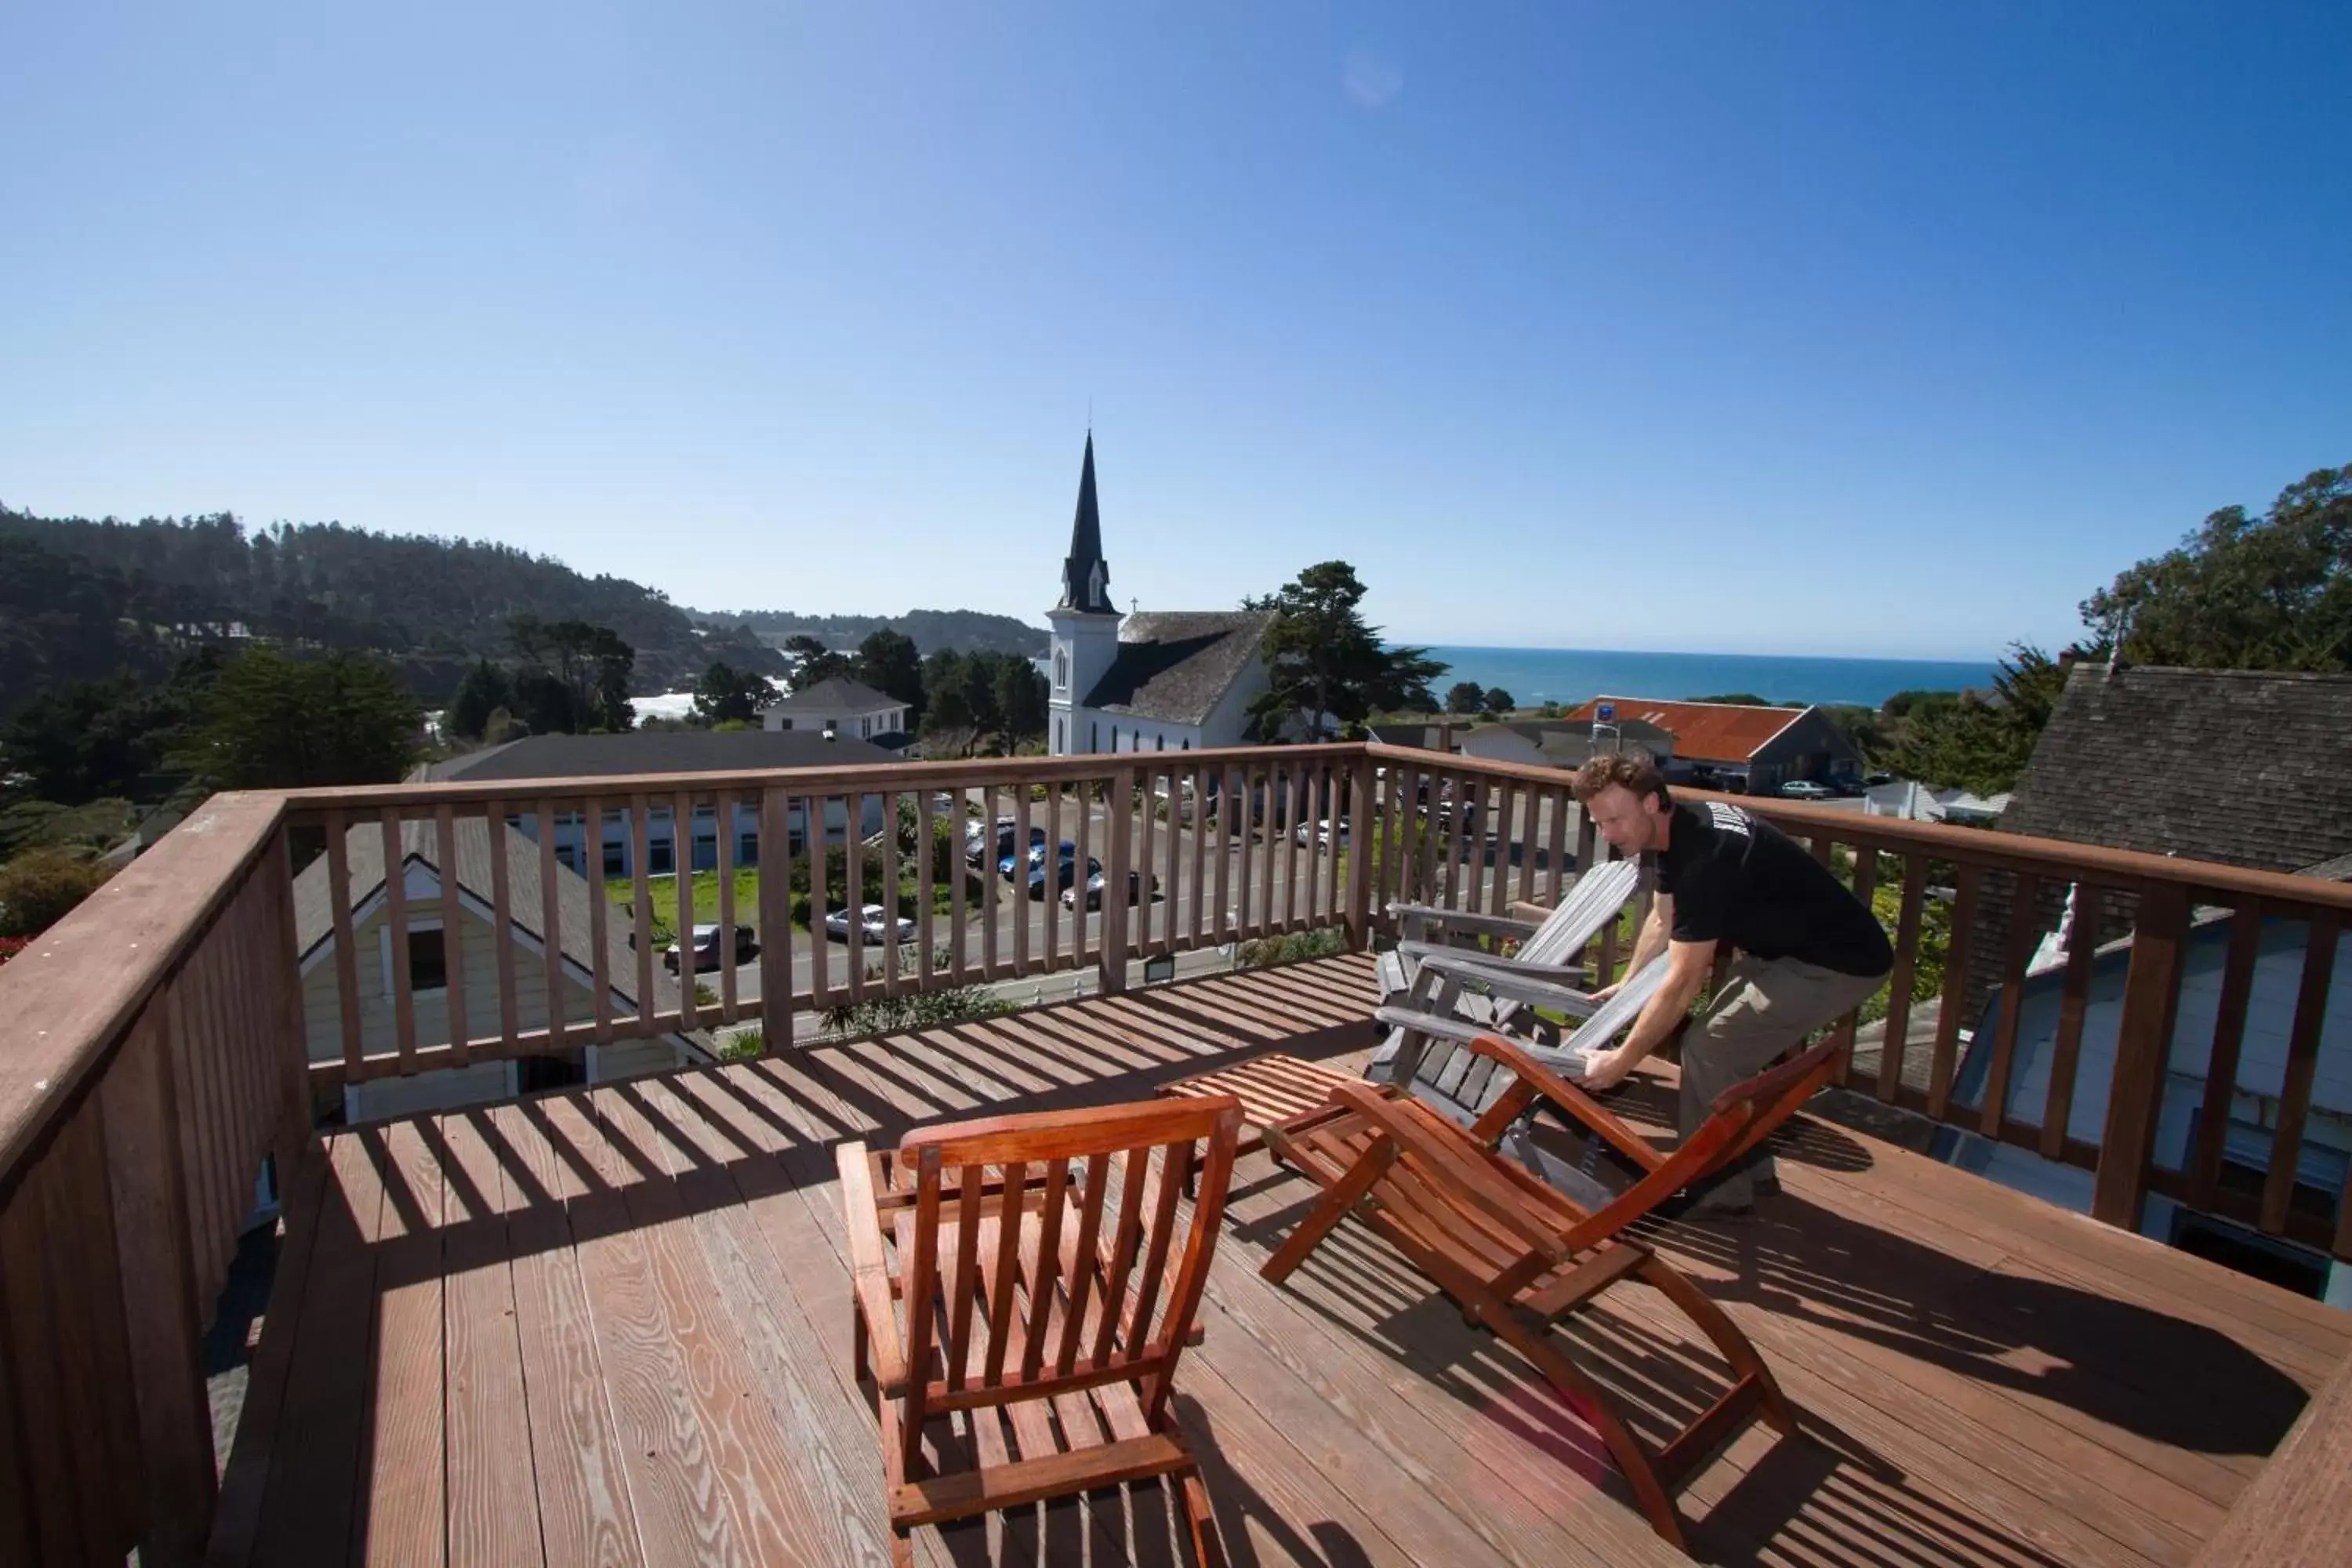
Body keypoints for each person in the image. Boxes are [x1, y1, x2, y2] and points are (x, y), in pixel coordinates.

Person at [1569, 753, 1892, 1215]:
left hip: (1838, 963)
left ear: (1653, 803)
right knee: (1722, 1052)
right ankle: (1748, 1163)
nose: (1608, 833)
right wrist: (1631, 984)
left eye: (1615, 819)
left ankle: (1717, 1189)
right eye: (1599, 822)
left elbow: (1684, 981)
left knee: (1710, 1048)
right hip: (1783, 952)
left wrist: (1622, 1060)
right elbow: (1663, 919)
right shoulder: (1672, 830)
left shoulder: (1705, 857)